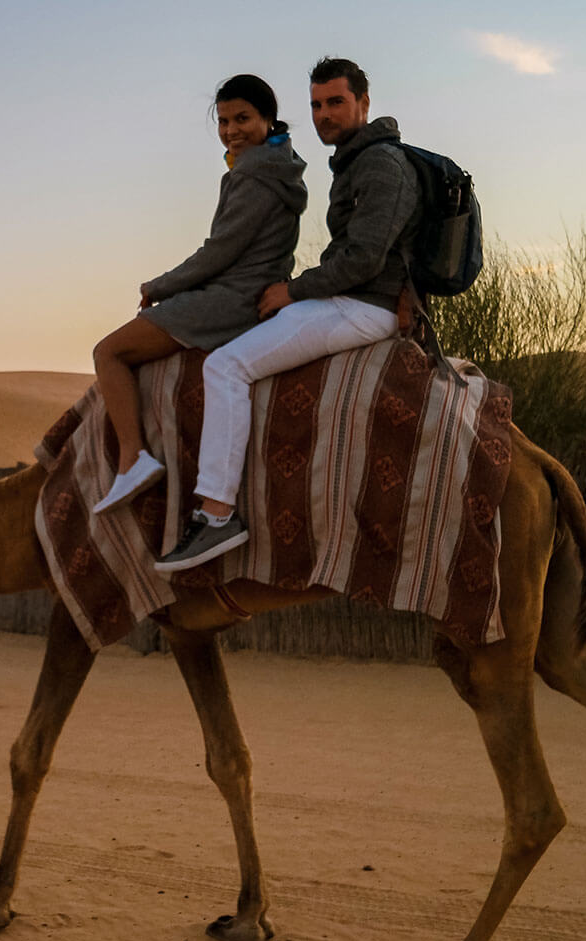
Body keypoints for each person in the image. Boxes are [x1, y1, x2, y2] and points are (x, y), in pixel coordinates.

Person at [156, 57, 416, 571]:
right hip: (354, 299)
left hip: (366, 307)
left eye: (336, 102)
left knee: (225, 366)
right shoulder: (355, 160)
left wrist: (293, 292)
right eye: (317, 104)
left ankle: (216, 514)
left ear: (364, 103)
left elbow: (363, 259)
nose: (324, 114)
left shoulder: (381, 164)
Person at [90, 74, 307, 514]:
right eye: (225, 122)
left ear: (268, 118)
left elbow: (219, 251)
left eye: (243, 118)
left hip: (231, 297)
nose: (232, 131)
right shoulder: (280, 163)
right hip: (250, 286)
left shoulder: (253, 174)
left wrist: (160, 286)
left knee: (108, 352)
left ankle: (132, 459)